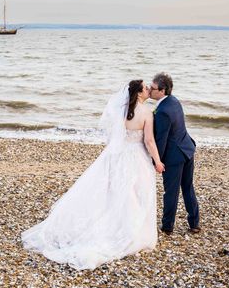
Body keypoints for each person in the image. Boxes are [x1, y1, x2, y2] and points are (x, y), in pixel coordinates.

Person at [21, 80, 164, 270]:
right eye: (145, 88)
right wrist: (158, 161)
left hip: (117, 156)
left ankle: (118, 224)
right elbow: (149, 141)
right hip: (136, 157)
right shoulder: (146, 113)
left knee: (116, 193)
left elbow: (114, 135)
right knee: (136, 193)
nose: (148, 90)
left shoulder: (121, 110)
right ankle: (130, 232)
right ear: (138, 94)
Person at [149, 73, 200, 235]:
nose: (149, 90)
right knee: (187, 187)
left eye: (153, 88)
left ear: (162, 91)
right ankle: (194, 223)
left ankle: (167, 226)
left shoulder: (163, 111)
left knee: (171, 191)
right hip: (187, 150)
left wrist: (157, 161)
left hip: (174, 157)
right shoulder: (174, 101)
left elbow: (161, 139)